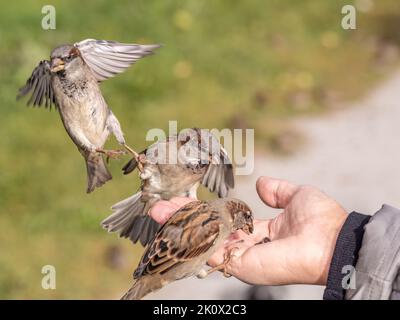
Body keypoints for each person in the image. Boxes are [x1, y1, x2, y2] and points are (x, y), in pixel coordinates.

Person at [149, 176, 400, 300]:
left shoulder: (217, 219)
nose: (245, 228)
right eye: (244, 220)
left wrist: (336, 244)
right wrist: (337, 242)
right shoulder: (213, 221)